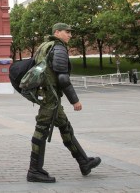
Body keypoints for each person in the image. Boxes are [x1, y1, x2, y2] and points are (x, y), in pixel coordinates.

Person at [26, 23, 101, 183]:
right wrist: (75, 100)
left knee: (65, 128)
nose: (70, 35)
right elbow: (62, 78)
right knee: (41, 130)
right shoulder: (58, 48)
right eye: (67, 32)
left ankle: (84, 162)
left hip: (47, 95)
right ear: (57, 32)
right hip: (51, 98)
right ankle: (34, 171)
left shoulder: (44, 46)